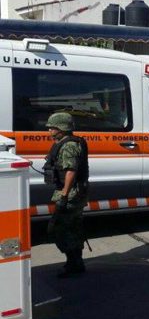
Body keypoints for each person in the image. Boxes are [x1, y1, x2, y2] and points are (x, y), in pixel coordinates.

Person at [43, 112, 89, 278]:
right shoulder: (65, 142)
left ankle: (74, 263)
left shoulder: (69, 145)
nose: (49, 130)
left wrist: (64, 196)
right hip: (73, 191)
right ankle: (75, 263)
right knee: (73, 228)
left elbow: (71, 171)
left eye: (52, 128)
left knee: (61, 228)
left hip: (70, 193)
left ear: (61, 128)